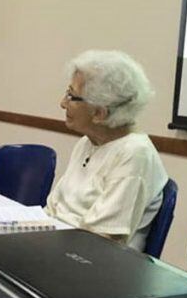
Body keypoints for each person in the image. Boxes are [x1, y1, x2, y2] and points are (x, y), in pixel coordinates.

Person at [45, 50, 168, 250]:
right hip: (58, 248)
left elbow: (102, 240)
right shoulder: (88, 142)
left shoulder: (134, 153)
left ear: (100, 113)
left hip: (92, 264)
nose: (62, 103)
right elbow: (54, 208)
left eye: (71, 96)